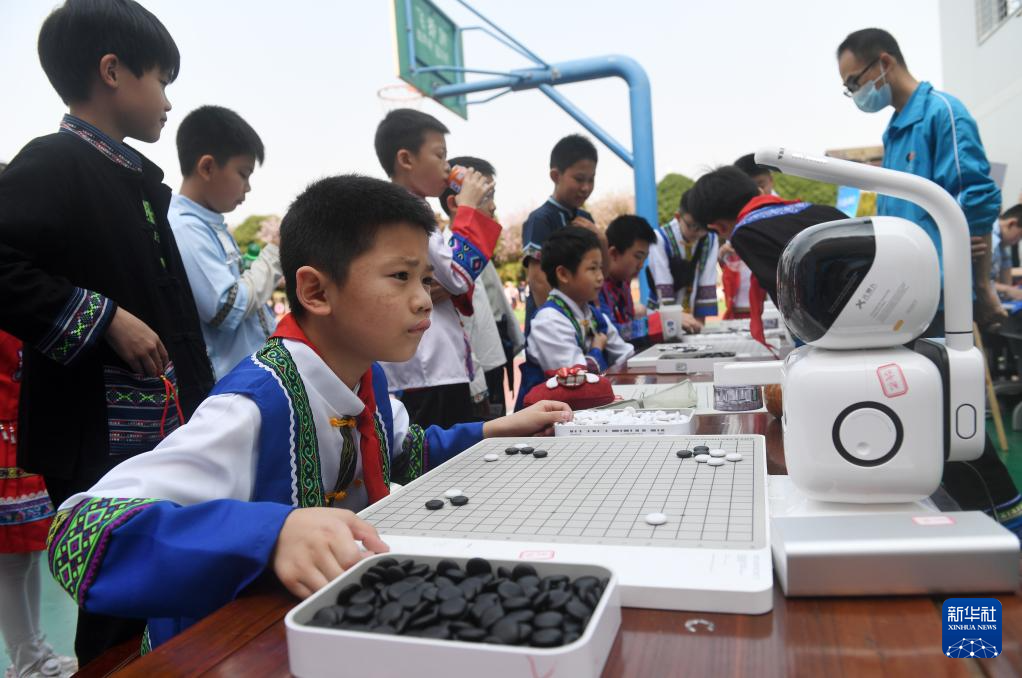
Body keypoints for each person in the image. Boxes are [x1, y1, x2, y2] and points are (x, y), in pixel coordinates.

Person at [46, 175, 572, 652]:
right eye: (401, 276)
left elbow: (402, 453)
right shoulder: (254, 403)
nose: (421, 300)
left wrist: (491, 430)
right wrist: (271, 535)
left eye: (425, 280)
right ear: (316, 291)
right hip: (225, 651)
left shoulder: (365, 376)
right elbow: (79, 531)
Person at [0, 0, 215, 663]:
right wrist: (103, 318)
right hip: (96, 434)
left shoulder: (132, 179)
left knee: (163, 588)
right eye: (162, 80)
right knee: (116, 602)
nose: (169, 102)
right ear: (113, 71)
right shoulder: (53, 162)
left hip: (161, 427)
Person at [836, 27, 1003, 328]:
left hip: (944, 297)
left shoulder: (943, 112)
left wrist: (982, 286)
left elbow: (976, 198)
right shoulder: (894, 131)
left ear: (884, 63)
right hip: (904, 295)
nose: (855, 93)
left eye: (854, 82)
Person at [374, 109, 501, 428]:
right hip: (427, 370)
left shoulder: (405, 207)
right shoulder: (406, 210)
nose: (447, 166)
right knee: (440, 451)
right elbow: (456, 276)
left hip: (429, 367)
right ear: (406, 159)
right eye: (440, 155)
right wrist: (468, 208)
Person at [170, 105, 279, 381]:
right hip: (232, 384)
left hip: (250, 375)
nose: (248, 187)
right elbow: (228, 309)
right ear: (207, 167)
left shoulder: (209, 223)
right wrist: (274, 254)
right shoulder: (185, 227)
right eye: (243, 173)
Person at [687, 166, 847, 348]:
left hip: (834, 335)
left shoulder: (746, 232)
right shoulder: (821, 210)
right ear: (759, 192)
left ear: (718, 227)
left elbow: (791, 302)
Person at [517, 226, 634, 410]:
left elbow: (626, 354)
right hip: (544, 419)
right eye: (592, 269)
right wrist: (597, 349)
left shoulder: (592, 313)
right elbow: (577, 382)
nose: (600, 277)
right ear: (563, 274)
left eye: (600, 268)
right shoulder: (549, 321)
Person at [438, 156, 511, 419]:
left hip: (490, 362)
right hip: (469, 378)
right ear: (454, 204)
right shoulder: (446, 255)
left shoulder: (478, 250)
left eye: (493, 195)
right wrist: (478, 387)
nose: (493, 205)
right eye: (485, 196)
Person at [521, 135, 599, 331]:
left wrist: (601, 238)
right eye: (579, 179)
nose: (586, 187)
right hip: (552, 330)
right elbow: (538, 281)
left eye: (591, 179)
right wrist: (561, 325)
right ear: (556, 176)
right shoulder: (541, 219)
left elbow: (599, 270)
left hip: (583, 325)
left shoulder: (586, 219)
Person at [646, 191, 718, 326]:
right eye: (693, 226)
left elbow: (707, 280)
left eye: (703, 227)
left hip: (692, 316)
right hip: (662, 317)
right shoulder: (660, 238)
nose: (698, 233)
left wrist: (699, 324)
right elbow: (663, 283)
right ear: (678, 217)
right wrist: (674, 319)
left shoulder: (711, 239)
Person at [598, 214, 665, 349]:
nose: (641, 265)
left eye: (644, 258)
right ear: (613, 253)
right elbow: (611, 333)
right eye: (638, 256)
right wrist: (662, 321)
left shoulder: (623, 283)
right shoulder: (597, 285)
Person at [989, 205, 1022, 301]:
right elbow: (976, 282)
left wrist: (1010, 290)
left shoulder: (1001, 244)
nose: (1017, 241)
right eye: (1020, 236)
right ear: (1011, 224)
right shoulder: (991, 239)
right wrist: (1007, 290)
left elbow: (1006, 282)